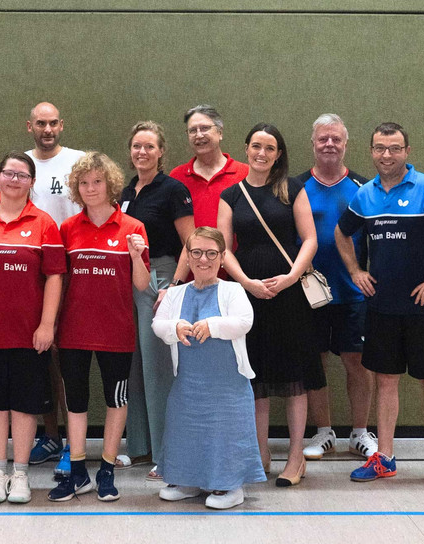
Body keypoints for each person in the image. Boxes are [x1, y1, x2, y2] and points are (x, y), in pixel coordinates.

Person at [336, 122, 424, 491]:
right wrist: (355, 270)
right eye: (380, 148)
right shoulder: (364, 195)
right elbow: (342, 232)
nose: (387, 155)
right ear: (370, 151)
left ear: (407, 151)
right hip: (381, 307)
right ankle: (384, 458)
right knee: (385, 382)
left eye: (395, 148)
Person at [217, 122, 320, 487]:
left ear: (278, 154)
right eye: (256, 146)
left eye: (270, 148)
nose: (262, 153)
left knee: (294, 376)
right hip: (248, 293)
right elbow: (224, 248)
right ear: (245, 148)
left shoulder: (293, 189)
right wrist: (244, 282)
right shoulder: (230, 195)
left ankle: (295, 457)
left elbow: (310, 239)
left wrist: (292, 276)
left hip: (288, 291)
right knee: (255, 375)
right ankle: (260, 451)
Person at [0, 151, 66, 504]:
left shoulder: (44, 223)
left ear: (32, 182)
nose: (14, 180)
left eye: (22, 175)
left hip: (28, 332)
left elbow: (54, 276)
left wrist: (47, 324)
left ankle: (20, 474)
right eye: (9, 173)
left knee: (24, 404)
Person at [47, 152, 150, 502]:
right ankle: (77, 472)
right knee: (74, 401)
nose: (90, 188)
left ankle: (106, 469)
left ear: (111, 185)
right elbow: (59, 282)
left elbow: (142, 285)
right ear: (76, 189)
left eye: (97, 182)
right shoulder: (68, 229)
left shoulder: (132, 228)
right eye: (84, 183)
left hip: (117, 333)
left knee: (115, 399)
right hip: (74, 331)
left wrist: (136, 255)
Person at [153, 227, 266, 509]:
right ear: (188, 258)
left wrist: (212, 326)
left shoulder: (233, 290)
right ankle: (188, 480)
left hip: (227, 385)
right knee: (185, 429)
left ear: (223, 258)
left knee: (225, 432)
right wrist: (175, 326)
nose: (204, 260)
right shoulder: (174, 294)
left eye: (211, 253)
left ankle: (229, 486)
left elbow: (244, 321)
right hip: (189, 384)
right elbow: (158, 324)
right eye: (197, 253)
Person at [293, 114, 378, 461]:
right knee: (315, 362)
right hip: (308, 293)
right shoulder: (295, 187)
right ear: (312, 144)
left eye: (336, 139)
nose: (329, 144)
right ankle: (323, 432)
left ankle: (360, 433)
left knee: (356, 362)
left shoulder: (364, 188)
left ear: (346, 144)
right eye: (323, 139)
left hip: (353, 295)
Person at [119, 121, 195, 480]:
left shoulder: (173, 190)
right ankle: (138, 448)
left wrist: (175, 286)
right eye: (137, 146)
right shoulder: (125, 191)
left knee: (158, 369)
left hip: (160, 278)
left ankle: (167, 453)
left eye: (149, 146)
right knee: (133, 366)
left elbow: (191, 243)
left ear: (162, 151)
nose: (142, 152)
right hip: (127, 280)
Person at [24, 102, 87, 473]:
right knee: (40, 358)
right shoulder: (20, 164)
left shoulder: (79, 162)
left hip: (72, 271)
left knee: (67, 361)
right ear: (29, 126)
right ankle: (49, 437)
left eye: (52, 123)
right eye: (40, 124)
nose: (47, 129)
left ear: (62, 125)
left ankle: (72, 443)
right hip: (29, 273)